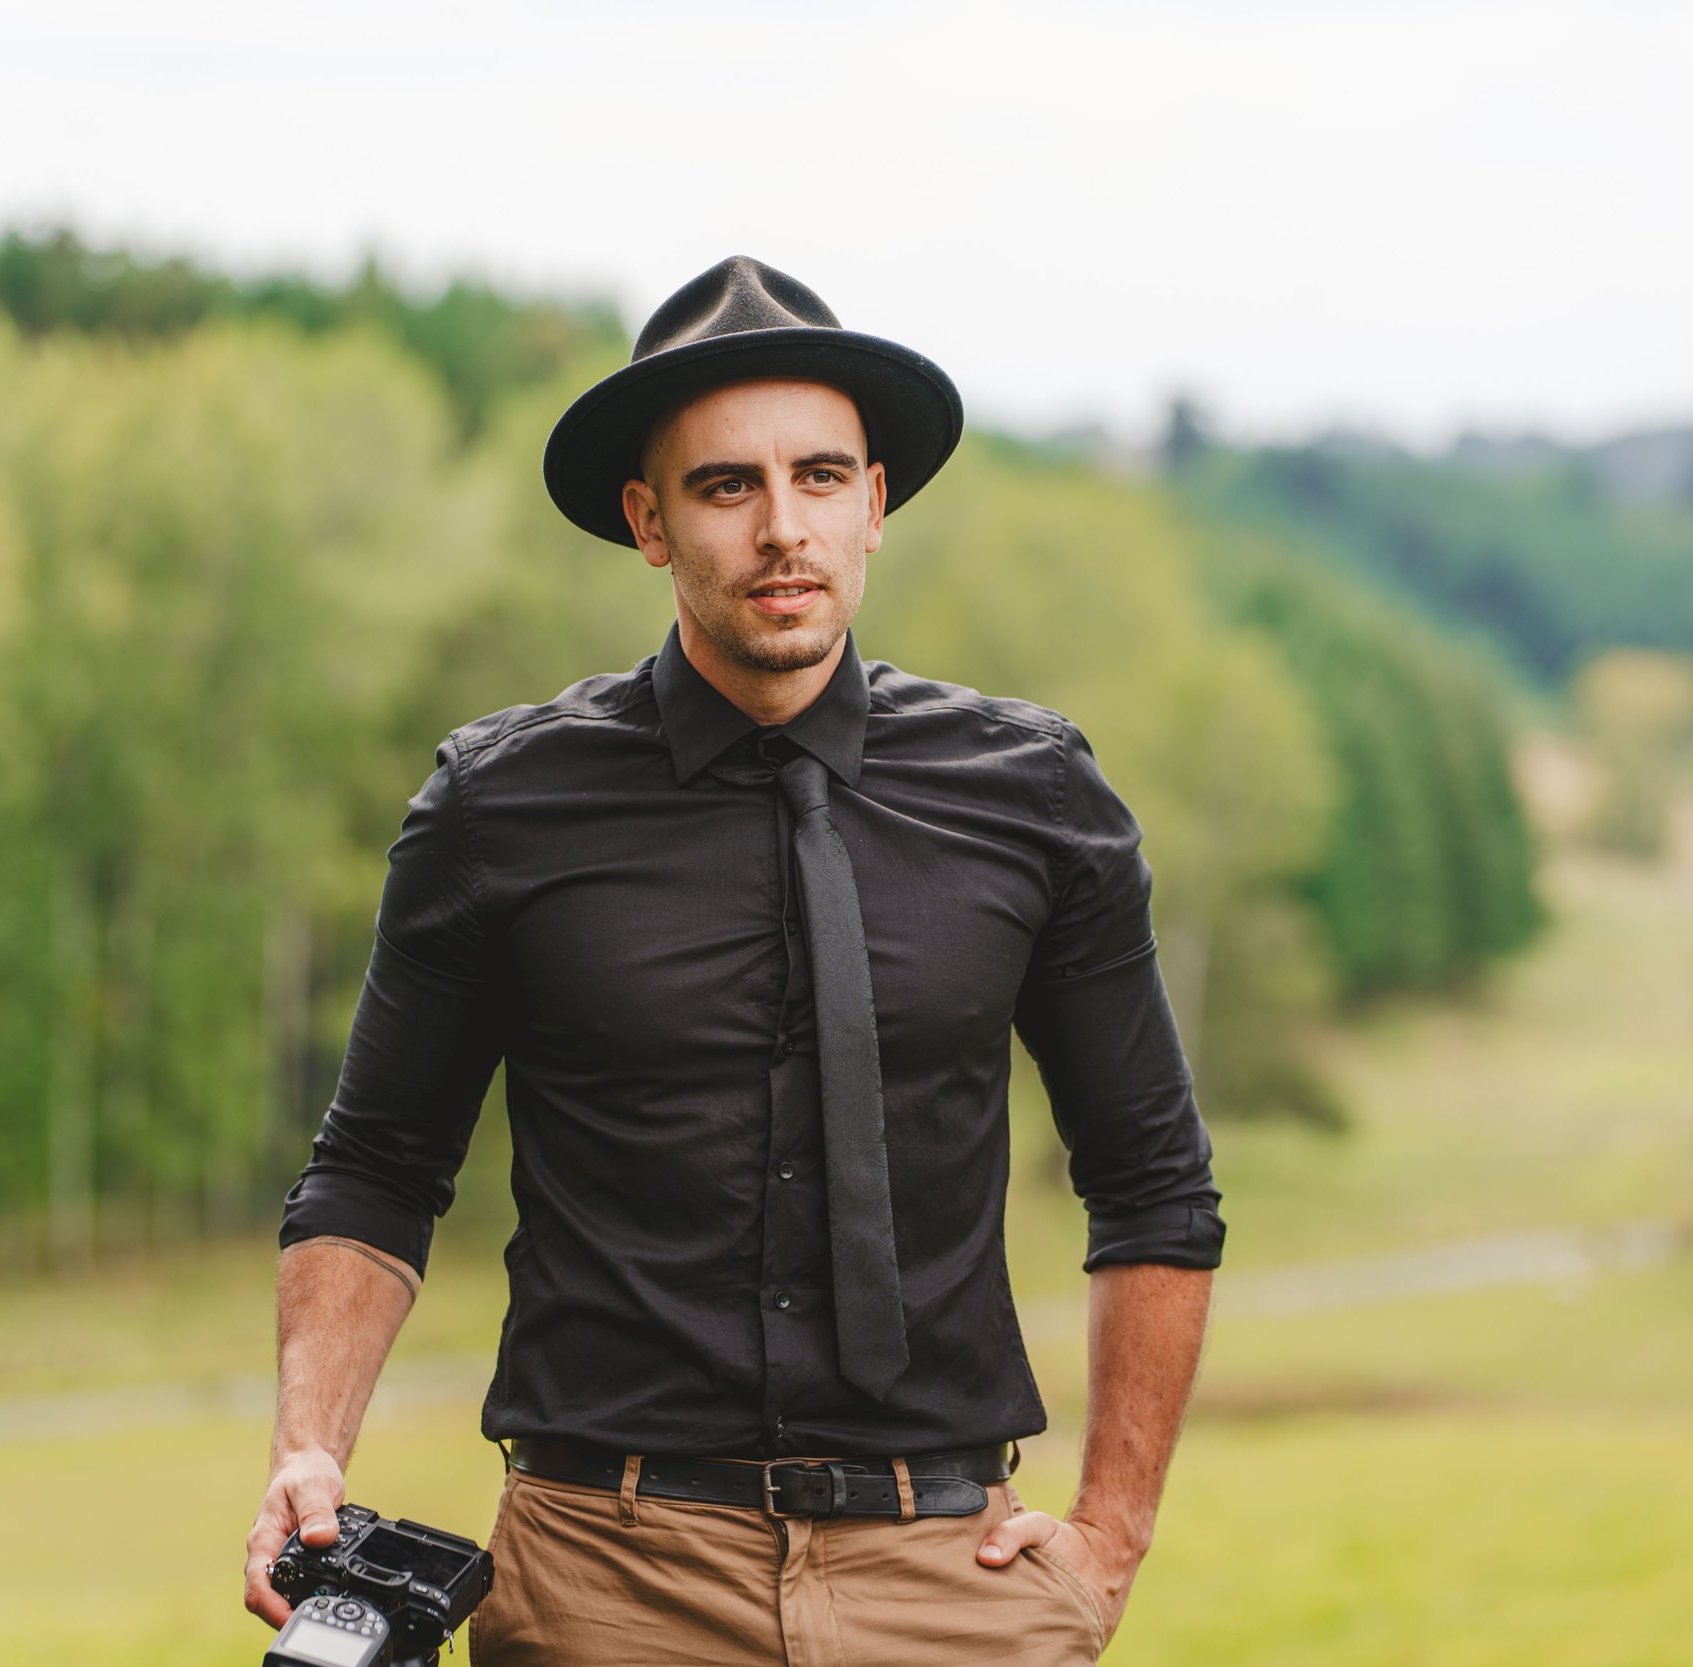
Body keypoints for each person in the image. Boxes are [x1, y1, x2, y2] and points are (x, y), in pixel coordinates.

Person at [242, 255, 1224, 1664]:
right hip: (608, 1579)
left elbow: (1155, 1189)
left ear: (875, 504)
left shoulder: (1033, 793)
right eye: (726, 487)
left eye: (821, 478)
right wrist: (307, 1446)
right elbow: (377, 1168)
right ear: (648, 521)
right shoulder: (499, 807)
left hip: (950, 1574)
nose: (783, 529)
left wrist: (1110, 1540)